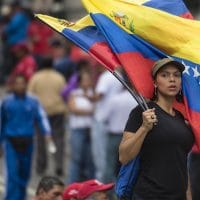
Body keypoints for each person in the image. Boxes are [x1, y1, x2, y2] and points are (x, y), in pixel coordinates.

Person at [119, 58, 194, 200]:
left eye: (176, 75)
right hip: (148, 195)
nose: (172, 79)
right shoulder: (142, 112)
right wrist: (144, 128)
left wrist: (188, 196)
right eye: (165, 75)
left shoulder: (181, 119)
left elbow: (181, 162)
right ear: (155, 83)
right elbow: (124, 156)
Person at [0, 74, 52, 200]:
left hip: (28, 142)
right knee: (12, 175)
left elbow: (41, 117)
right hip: (11, 142)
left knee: (25, 174)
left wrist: (47, 133)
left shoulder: (33, 102)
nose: (20, 86)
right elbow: (1, 123)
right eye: (17, 83)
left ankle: (21, 197)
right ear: (13, 86)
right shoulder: (7, 102)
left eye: (22, 83)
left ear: (26, 85)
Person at [28, 56, 66, 176]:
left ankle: (41, 166)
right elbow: (65, 93)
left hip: (41, 113)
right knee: (58, 139)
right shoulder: (59, 77)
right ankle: (59, 165)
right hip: (57, 111)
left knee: (41, 140)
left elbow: (30, 95)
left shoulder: (36, 77)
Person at [67, 70, 95, 183]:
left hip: (90, 129)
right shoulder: (74, 93)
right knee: (76, 158)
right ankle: (72, 184)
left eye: (88, 80)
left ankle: (89, 185)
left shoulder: (93, 94)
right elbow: (73, 109)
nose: (87, 82)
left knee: (90, 159)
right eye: (84, 80)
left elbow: (96, 110)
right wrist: (90, 111)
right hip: (77, 129)